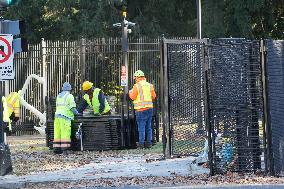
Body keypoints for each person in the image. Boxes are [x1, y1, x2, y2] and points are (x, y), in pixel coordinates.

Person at [129, 70, 156, 148]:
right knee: (148, 127)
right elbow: (154, 96)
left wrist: (130, 93)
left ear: (138, 77)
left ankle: (141, 144)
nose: (135, 79)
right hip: (149, 109)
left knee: (141, 127)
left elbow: (133, 97)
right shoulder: (150, 85)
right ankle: (149, 143)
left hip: (140, 110)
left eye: (135, 78)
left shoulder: (136, 86)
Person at [53, 82, 81, 155]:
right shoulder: (69, 96)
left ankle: (56, 149)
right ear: (70, 89)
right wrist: (77, 113)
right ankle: (65, 150)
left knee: (57, 133)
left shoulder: (58, 96)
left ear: (62, 88)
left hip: (57, 117)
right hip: (65, 117)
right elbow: (72, 107)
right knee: (65, 133)